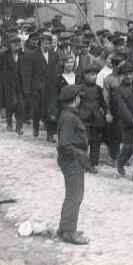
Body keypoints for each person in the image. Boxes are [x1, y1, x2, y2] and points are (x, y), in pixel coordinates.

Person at [56, 84, 90, 245]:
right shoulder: (70, 118)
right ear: (75, 99)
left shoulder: (67, 115)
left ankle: (64, 228)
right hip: (71, 161)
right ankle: (69, 232)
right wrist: (79, 156)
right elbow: (64, 144)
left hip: (70, 159)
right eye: (79, 97)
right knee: (75, 196)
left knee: (72, 194)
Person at [78, 62, 107, 173]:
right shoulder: (80, 88)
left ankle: (93, 163)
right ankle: (82, 163)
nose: (94, 76)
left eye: (96, 74)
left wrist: (105, 112)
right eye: (91, 74)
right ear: (85, 75)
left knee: (96, 142)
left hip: (96, 119)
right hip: (83, 119)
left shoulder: (99, 89)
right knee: (84, 142)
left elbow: (103, 103)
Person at [0, 35, 25, 135]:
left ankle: (19, 126)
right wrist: (2, 84)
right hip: (7, 85)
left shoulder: (23, 55)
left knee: (20, 105)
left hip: (20, 85)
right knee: (10, 104)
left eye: (18, 44)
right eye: (14, 44)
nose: (16, 46)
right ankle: (9, 123)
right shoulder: (4, 56)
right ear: (10, 45)